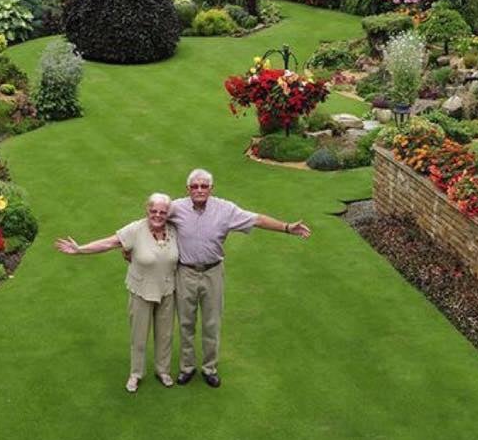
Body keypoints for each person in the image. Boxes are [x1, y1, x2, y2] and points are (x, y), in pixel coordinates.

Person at [168, 168, 311, 389]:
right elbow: (152, 221)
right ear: (187, 189)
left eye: (204, 186)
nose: (199, 190)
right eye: (194, 186)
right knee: (186, 322)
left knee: (211, 323)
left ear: (211, 189)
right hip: (185, 272)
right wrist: (129, 246)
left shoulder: (225, 209)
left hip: (213, 272)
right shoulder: (175, 208)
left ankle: (209, 368)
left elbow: (257, 219)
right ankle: (187, 367)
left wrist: (286, 227)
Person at [55, 194, 178, 393]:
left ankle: (163, 371)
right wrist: (80, 249)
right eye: (153, 211)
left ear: (168, 214)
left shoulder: (174, 230)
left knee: (165, 335)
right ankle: (136, 374)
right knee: (138, 336)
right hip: (141, 291)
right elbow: (109, 243)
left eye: (163, 212)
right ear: (147, 210)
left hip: (167, 291)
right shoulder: (135, 229)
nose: (158, 215)